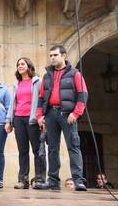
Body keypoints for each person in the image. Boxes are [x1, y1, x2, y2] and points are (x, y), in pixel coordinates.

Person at [36, 45, 88, 191]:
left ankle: (78, 180)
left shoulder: (75, 73)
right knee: (52, 148)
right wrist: (40, 115)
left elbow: (82, 94)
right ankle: (52, 181)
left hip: (68, 114)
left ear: (63, 55)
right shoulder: (47, 76)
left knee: (73, 146)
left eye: (55, 55)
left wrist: (76, 113)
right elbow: (41, 97)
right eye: (50, 55)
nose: (52, 58)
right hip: (50, 114)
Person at [5, 57, 46, 189]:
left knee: (37, 150)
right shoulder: (16, 84)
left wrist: (41, 117)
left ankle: (39, 178)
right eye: (18, 64)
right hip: (18, 119)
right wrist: (9, 121)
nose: (20, 66)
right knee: (22, 151)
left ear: (29, 65)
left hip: (33, 119)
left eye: (23, 64)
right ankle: (23, 180)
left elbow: (42, 100)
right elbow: (12, 104)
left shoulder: (38, 82)